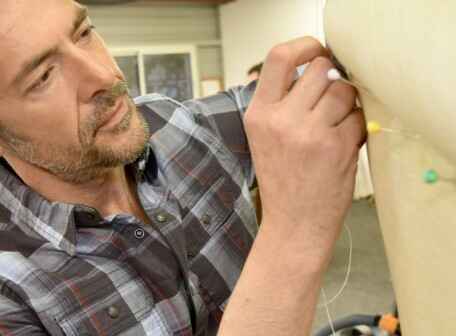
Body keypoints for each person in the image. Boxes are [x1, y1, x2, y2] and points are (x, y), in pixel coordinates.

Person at [0, 1, 365, 335]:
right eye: (44, 76)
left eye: (83, 33)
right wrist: (295, 231)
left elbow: (330, 87)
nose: (103, 76)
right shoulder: (9, 292)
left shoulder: (172, 123)